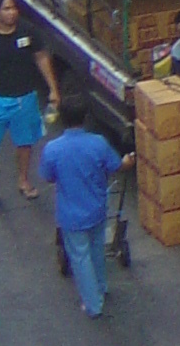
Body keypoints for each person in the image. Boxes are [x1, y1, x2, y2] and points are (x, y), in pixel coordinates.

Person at [39, 87, 133, 316]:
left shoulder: (53, 149)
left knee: (80, 257)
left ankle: (92, 304)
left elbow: (47, 176)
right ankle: (101, 287)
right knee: (96, 249)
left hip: (71, 215)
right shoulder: (98, 143)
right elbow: (116, 166)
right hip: (97, 208)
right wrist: (129, 160)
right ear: (85, 118)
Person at [0, 0, 59, 208]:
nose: (12, 13)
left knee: (25, 143)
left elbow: (41, 58)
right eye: (7, 9)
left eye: (14, 8)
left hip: (25, 98)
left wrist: (53, 89)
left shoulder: (27, 32)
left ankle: (23, 180)